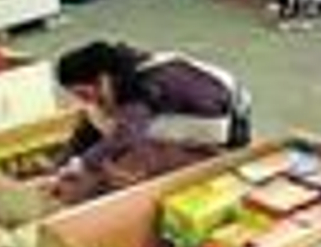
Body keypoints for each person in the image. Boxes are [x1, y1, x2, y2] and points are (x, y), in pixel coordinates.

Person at [57, 41, 251, 176]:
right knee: (104, 121)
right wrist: (64, 161)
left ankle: (206, 162)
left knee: (130, 139)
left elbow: (125, 135)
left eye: (83, 93)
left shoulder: (140, 87)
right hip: (205, 105)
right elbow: (89, 126)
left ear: (101, 79)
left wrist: (81, 164)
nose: (85, 100)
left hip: (229, 122)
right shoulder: (118, 70)